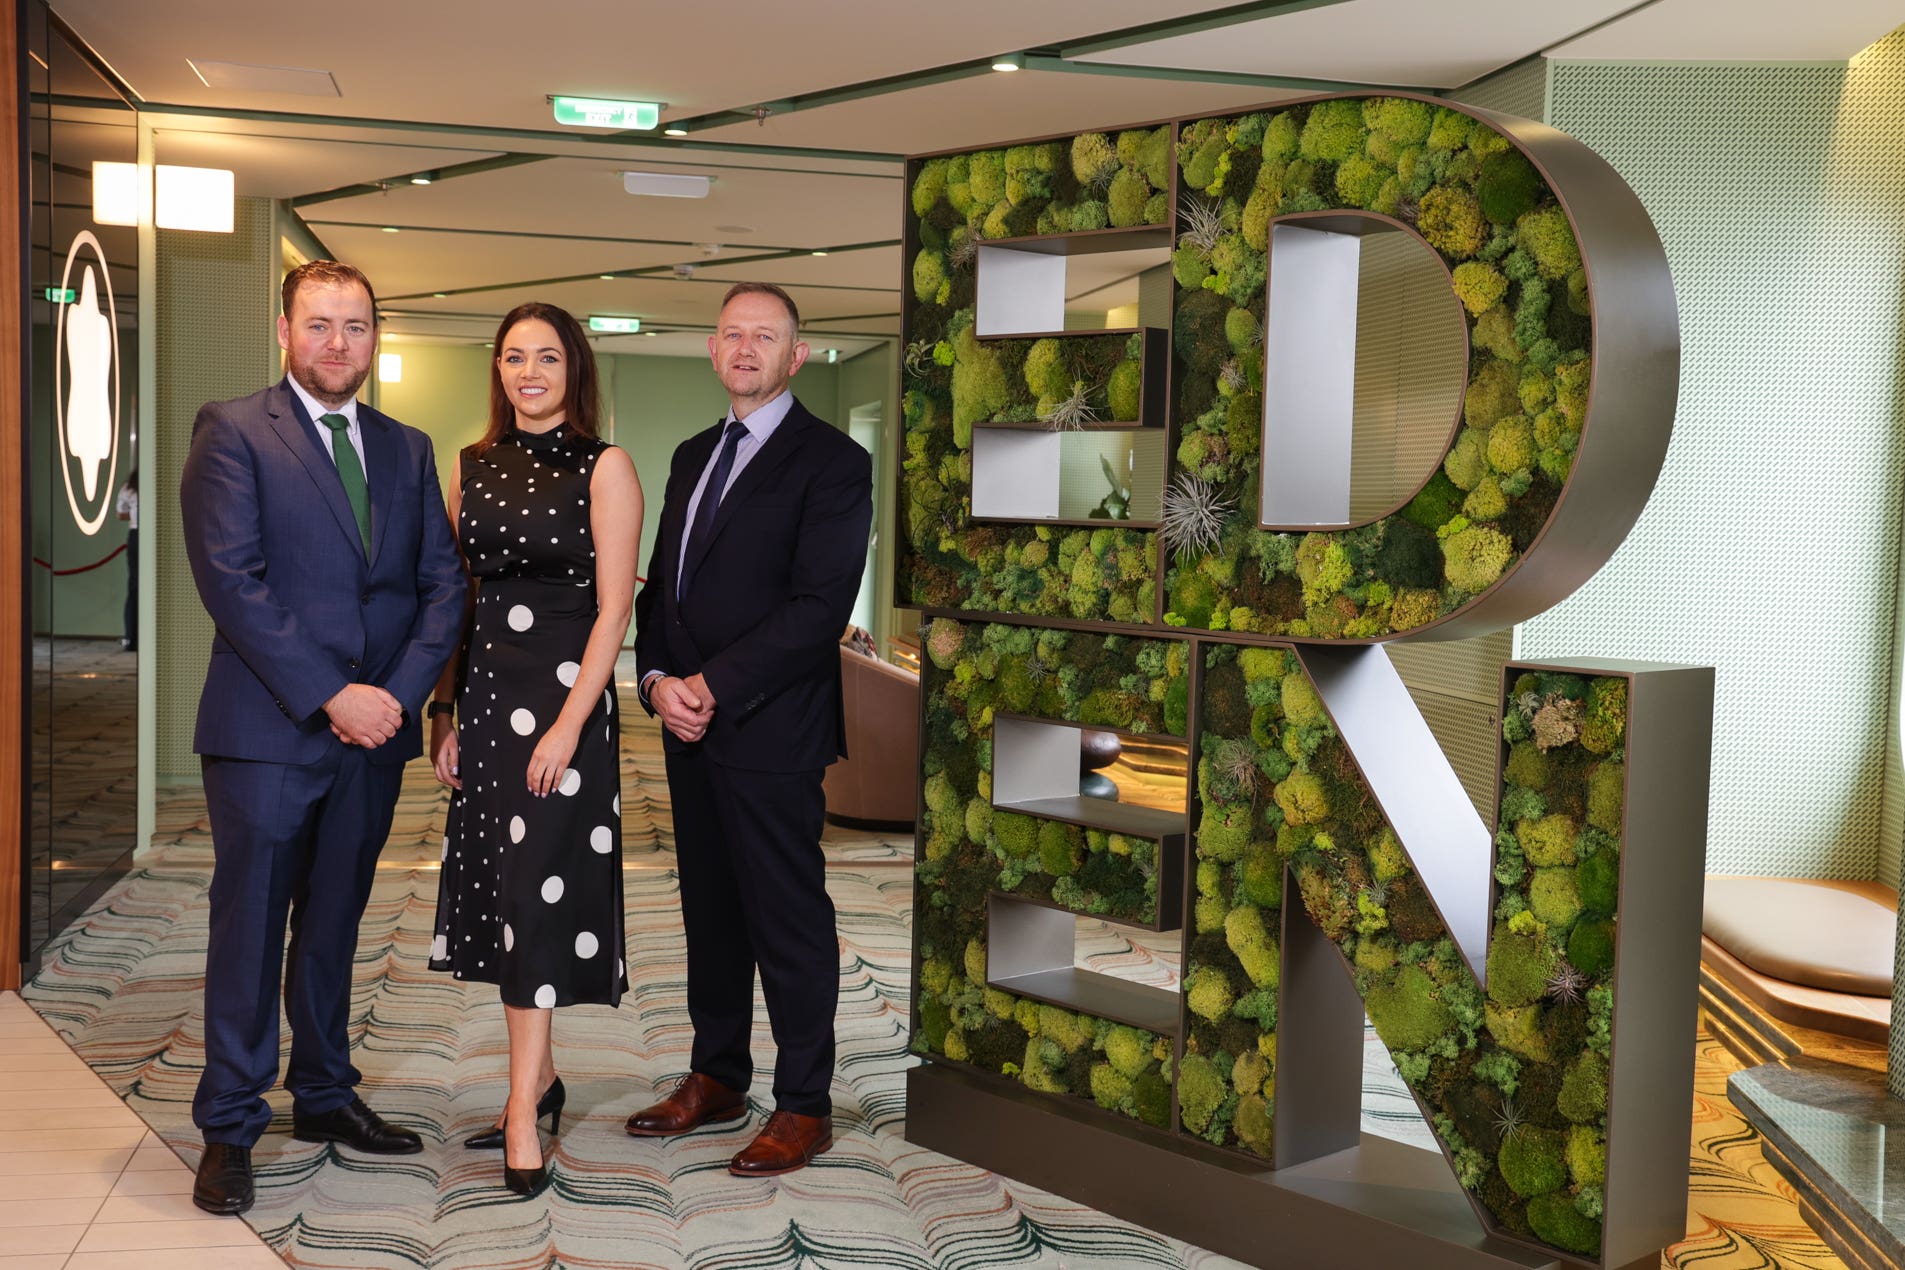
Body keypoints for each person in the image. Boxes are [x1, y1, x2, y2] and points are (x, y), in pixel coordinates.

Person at [178, 260, 466, 1215]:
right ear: (284, 330)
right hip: (269, 730)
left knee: (336, 922)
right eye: (320, 325)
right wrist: (332, 693)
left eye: (356, 325)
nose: (338, 343)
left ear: (376, 337)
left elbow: (441, 586)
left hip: (371, 735)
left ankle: (325, 1096)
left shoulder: (407, 447)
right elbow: (232, 581)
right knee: (252, 926)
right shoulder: (233, 431)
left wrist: (394, 696)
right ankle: (228, 1124)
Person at [627, 282, 872, 1176]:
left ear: (795, 355)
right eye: (732, 334)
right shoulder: (693, 454)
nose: (745, 349)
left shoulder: (834, 462)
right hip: (686, 728)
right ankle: (718, 1075)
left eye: (764, 337)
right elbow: (664, 586)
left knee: (788, 922)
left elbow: (817, 609)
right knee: (712, 915)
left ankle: (803, 1103)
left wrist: (711, 684)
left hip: (772, 729)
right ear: (711, 347)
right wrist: (654, 679)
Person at [427, 302, 641, 1197]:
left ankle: (520, 1110)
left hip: (566, 711)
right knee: (508, 898)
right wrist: (443, 714)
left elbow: (613, 608)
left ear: (574, 370)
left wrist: (567, 724)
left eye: (546, 357)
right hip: (484, 706)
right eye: (514, 357)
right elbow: (455, 597)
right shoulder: (469, 465)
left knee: (541, 899)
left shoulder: (607, 466)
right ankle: (541, 1082)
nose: (528, 373)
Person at [114, 469, 136, 651]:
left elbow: (120, 514)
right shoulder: (152, 486)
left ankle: (130, 637)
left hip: (135, 534)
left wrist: (135, 514)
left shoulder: (128, 488)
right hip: (146, 534)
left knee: (134, 587)